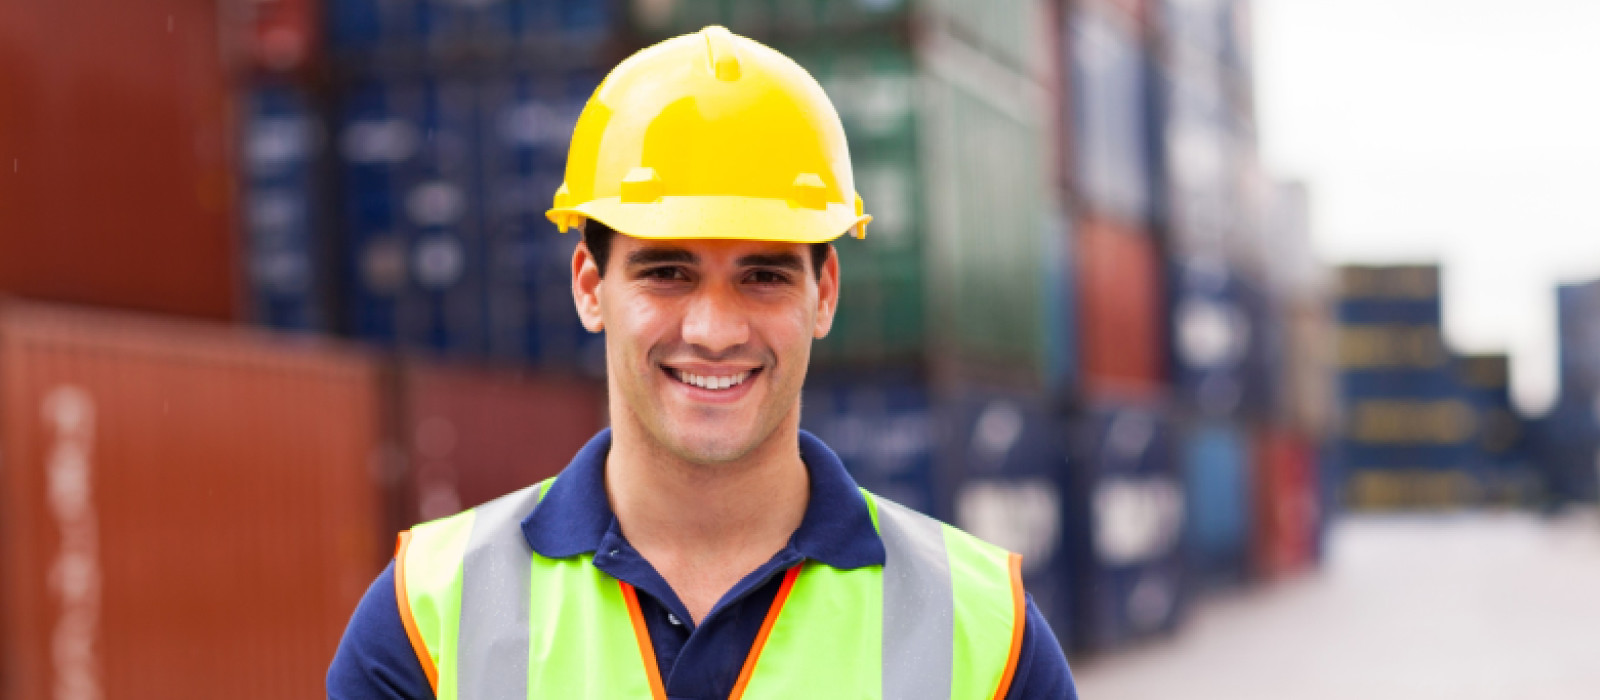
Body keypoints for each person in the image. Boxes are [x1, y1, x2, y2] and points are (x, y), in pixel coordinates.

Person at [328, 26, 1077, 699]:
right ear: (592, 288)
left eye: (763, 275)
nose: (715, 330)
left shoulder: (988, 638)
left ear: (824, 294)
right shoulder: (422, 626)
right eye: (667, 273)